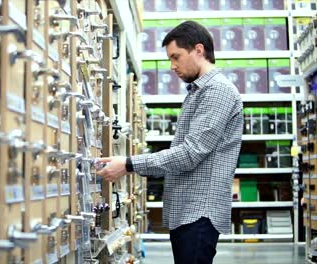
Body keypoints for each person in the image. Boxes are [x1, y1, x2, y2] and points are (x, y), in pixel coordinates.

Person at [96, 20, 243, 264]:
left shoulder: (217, 91)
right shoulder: (198, 92)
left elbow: (189, 154)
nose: (172, 66)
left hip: (199, 212)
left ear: (198, 50)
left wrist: (129, 164)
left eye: (176, 57)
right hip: (188, 210)